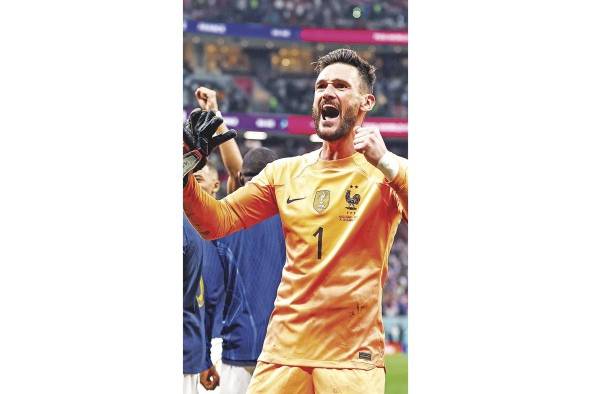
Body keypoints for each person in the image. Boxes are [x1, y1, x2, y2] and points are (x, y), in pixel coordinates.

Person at [183, 48, 408, 393]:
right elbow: (218, 221)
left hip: (350, 358)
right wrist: (183, 174)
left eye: (341, 86)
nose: (327, 92)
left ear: (367, 102)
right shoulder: (283, 173)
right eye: (321, 86)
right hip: (283, 353)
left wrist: (389, 164)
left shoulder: (383, 173)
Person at [204, 147, 286, 394]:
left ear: (240, 178)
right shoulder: (298, 221)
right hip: (285, 353)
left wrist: (205, 358)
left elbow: (211, 294)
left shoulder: (222, 222)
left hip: (237, 350)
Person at [183, 213, 221, 393]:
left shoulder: (191, 227)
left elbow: (211, 294)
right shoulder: (192, 226)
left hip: (206, 341)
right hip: (194, 345)